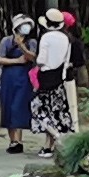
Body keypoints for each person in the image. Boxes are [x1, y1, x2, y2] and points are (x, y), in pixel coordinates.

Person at [0, 15, 39, 151]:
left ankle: (19, 140)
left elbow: (32, 58)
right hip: (8, 78)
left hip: (24, 78)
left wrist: (21, 45)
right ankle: (13, 141)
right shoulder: (6, 41)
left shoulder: (32, 42)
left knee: (18, 107)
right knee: (8, 107)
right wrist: (16, 61)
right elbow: (0, 59)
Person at [31, 8, 77, 143]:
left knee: (38, 110)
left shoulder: (46, 37)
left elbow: (41, 60)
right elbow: (66, 60)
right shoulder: (66, 38)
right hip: (59, 76)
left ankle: (57, 137)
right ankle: (49, 145)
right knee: (56, 110)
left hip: (45, 76)